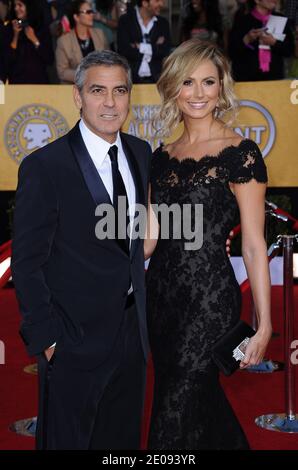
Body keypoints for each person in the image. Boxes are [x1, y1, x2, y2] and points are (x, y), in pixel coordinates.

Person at [11, 50, 151, 450]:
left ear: (129, 95)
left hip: (131, 335)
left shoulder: (140, 153)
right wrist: (49, 340)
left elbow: (132, 243)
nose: (110, 103)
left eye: (119, 91)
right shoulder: (46, 166)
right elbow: (27, 262)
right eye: (97, 91)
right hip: (72, 340)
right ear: (78, 96)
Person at [144, 39, 272, 449]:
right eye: (187, 82)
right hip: (161, 301)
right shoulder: (160, 156)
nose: (198, 93)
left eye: (208, 82)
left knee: (173, 412)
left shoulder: (241, 154)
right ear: (171, 88)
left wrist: (265, 323)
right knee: (198, 407)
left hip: (210, 302)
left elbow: (253, 244)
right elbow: (148, 240)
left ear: (222, 87)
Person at [229, 0, 294, 81]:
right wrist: (247, 39)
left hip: (274, 78)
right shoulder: (243, 20)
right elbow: (231, 52)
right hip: (247, 79)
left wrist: (274, 42)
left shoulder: (281, 19)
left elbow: (290, 50)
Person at [117, 0, 171, 83]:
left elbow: (165, 51)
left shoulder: (163, 23)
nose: (161, 4)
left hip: (157, 80)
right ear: (145, 3)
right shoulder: (125, 21)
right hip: (131, 80)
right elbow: (124, 51)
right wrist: (154, 47)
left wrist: (140, 46)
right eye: (157, 1)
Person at [55, 0, 109, 84]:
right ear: (76, 17)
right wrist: (85, 75)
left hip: (99, 87)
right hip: (74, 90)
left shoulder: (99, 34)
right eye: (88, 12)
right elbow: (62, 72)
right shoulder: (64, 41)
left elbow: (108, 61)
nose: (92, 14)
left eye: (92, 11)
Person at [2, 0, 54, 83]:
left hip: (39, 84)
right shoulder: (9, 29)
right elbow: (6, 62)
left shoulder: (41, 27)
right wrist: (15, 36)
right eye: (15, 5)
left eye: (20, 5)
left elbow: (49, 59)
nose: (16, 8)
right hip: (16, 84)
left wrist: (34, 39)